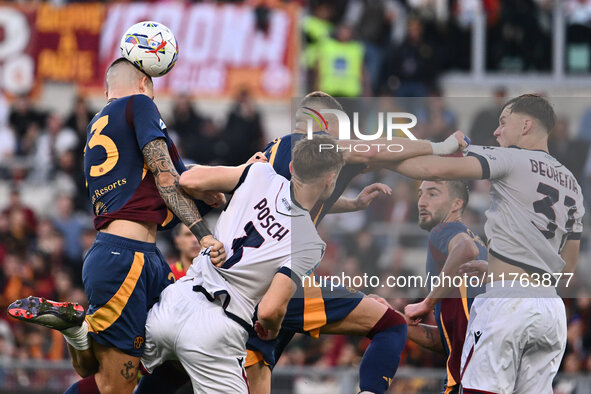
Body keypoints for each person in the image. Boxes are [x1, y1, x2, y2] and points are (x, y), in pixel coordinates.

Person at [8, 58, 225, 394]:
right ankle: (78, 334)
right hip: (127, 260)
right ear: (143, 83)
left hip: (135, 256)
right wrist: (205, 233)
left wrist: (209, 196)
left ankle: (78, 332)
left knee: (181, 351)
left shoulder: (100, 122)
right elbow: (168, 179)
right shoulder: (140, 105)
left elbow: (164, 193)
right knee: (115, 385)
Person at [245, 91, 469, 394]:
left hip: (247, 274)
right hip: (278, 278)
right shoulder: (318, 146)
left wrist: (351, 203)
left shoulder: (270, 155)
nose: (345, 137)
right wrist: (442, 146)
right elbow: (378, 151)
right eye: (340, 128)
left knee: (252, 368)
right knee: (390, 324)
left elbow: (294, 198)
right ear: (321, 124)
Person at [386, 94, 584, 393]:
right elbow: (567, 268)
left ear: (526, 125)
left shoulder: (510, 158)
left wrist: (368, 158)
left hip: (507, 303)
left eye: (503, 122)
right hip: (551, 310)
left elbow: (431, 169)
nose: (496, 131)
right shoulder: (572, 183)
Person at [140, 136, 340, 393]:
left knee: (110, 381)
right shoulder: (310, 243)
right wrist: (272, 329)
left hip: (174, 303)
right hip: (218, 330)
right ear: (330, 179)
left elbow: (188, 179)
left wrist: (222, 194)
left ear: (291, 168)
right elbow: (269, 311)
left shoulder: (258, 172)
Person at [403, 180, 487, 394]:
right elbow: (452, 338)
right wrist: (394, 320)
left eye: (432, 194)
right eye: (420, 194)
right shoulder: (479, 242)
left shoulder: (444, 230)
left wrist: (427, 303)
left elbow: (465, 249)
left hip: (467, 377)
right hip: (483, 372)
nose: (421, 202)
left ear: (456, 204)